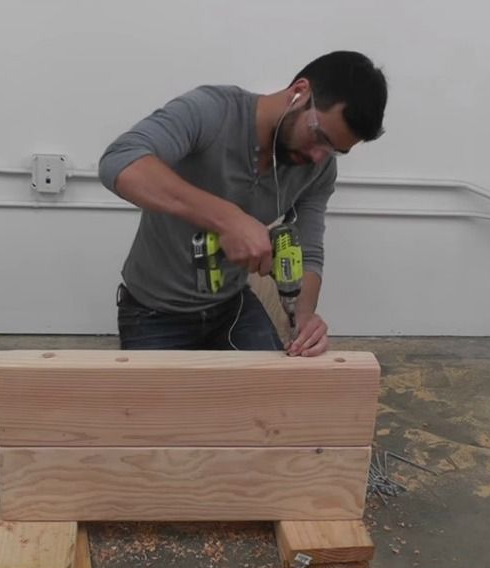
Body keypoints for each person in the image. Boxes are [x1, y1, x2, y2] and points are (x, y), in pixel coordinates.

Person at [98, 51, 387, 356]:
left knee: (277, 385)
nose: (318, 156)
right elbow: (120, 161)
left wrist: (303, 316)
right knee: (157, 390)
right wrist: (228, 219)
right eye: (320, 136)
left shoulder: (319, 167)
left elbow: (309, 250)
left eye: (335, 150)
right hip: (152, 312)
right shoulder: (212, 112)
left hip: (231, 307)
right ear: (299, 92)